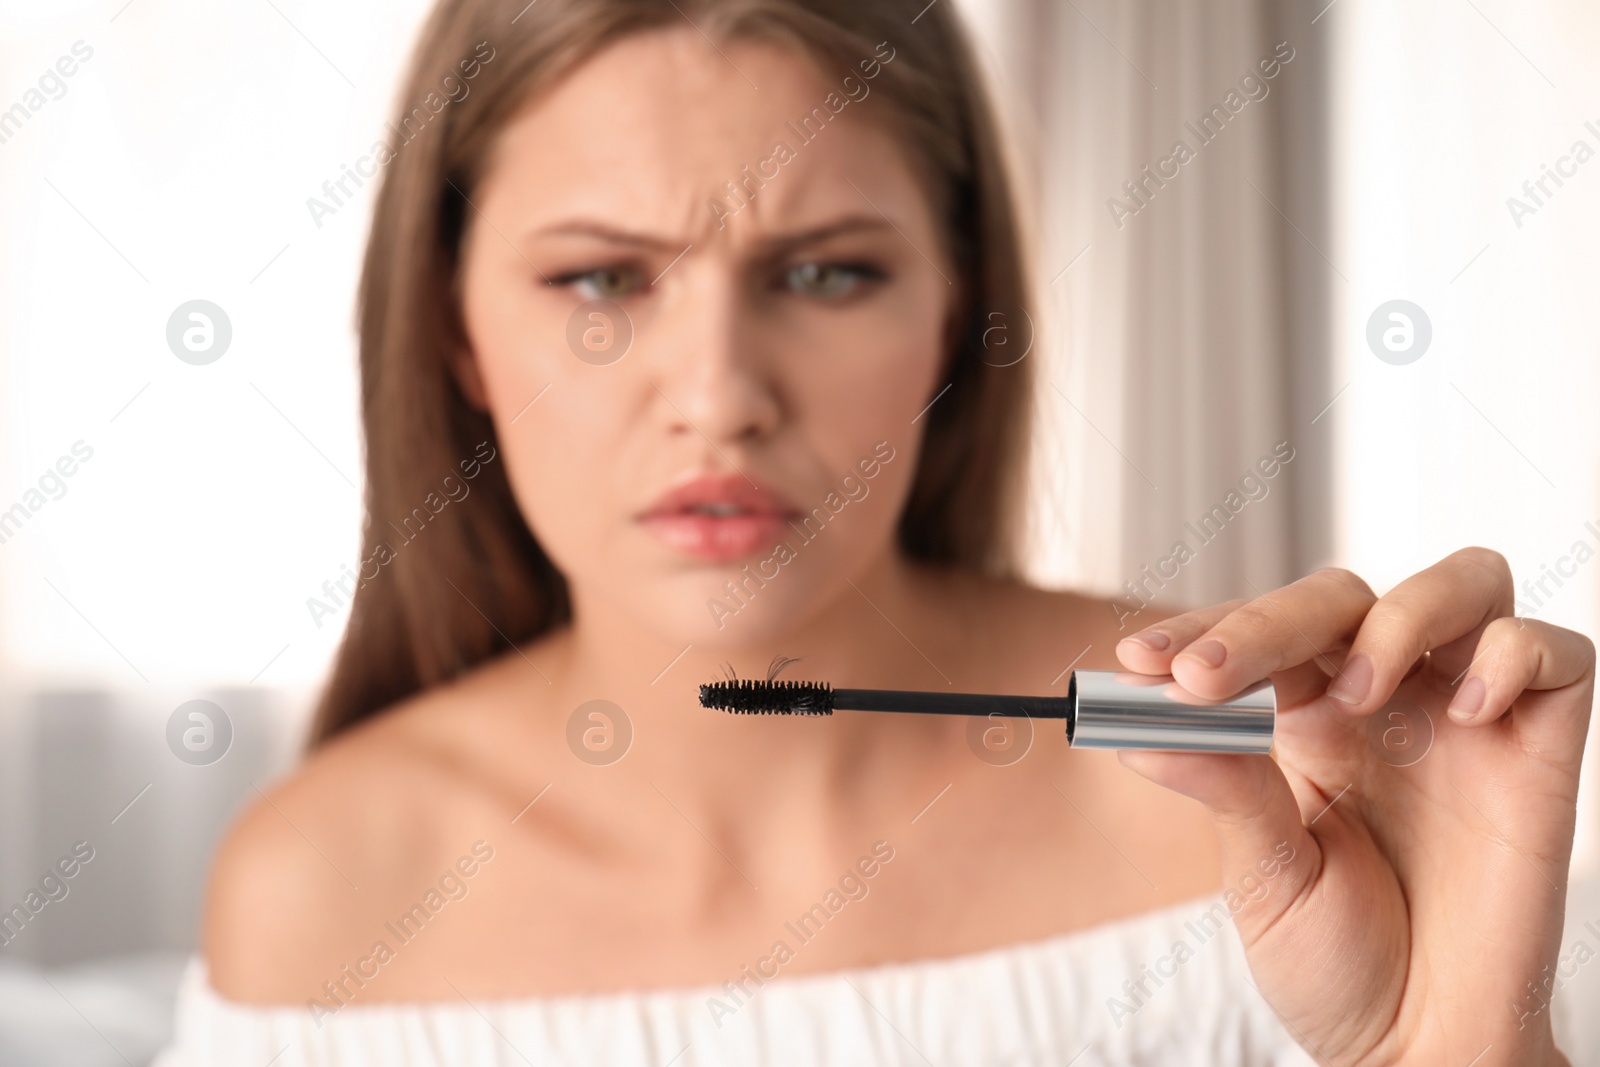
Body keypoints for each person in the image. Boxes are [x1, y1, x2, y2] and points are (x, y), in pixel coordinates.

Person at [157, 0, 1595, 1063]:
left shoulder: (1270, 802)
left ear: (957, 312)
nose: (719, 399)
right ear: (454, 326)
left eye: (829, 273)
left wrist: (1458, 1041)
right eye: (602, 280)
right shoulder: (321, 904)